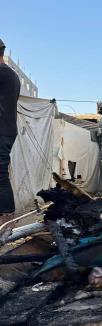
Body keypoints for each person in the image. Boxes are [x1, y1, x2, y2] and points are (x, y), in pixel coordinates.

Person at [0, 38, 21, 236]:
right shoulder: (13, 76)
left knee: (0, 174)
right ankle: (6, 219)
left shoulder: (2, 74)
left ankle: (6, 222)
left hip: (1, 130)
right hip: (8, 129)